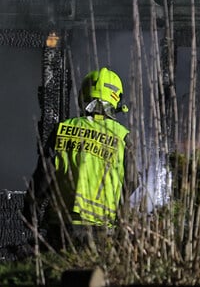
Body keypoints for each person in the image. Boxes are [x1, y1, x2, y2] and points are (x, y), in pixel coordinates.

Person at [23, 66, 135, 249]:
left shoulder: (63, 129)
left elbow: (45, 173)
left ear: (84, 95)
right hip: (102, 231)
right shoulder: (122, 138)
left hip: (61, 227)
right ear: (116, 100)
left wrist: (31, 208)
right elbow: (131, 181)